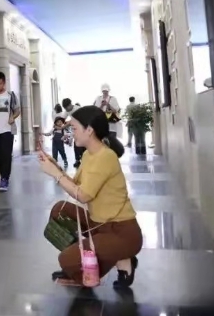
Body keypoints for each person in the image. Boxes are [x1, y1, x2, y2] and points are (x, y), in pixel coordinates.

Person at [37, 105, 142, 288]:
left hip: (121, 232)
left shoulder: (106, 157)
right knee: (59, 210)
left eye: (74, 128)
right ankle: (92, 258)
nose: (72, 133)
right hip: (99, 224)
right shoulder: (88, 155)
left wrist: (56, 174)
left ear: (89, 130)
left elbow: (83, 196)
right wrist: (56, 167)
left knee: (66, 260)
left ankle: (107, 261)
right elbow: (76, 186)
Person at [62, 98, 84, 168]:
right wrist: (58, 123)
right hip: (76, 129)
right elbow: (62, 118)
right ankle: (77, 160)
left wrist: (65, 125)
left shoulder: (78, 109)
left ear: (70, 104)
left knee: (83, 145)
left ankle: (84, 160)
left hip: (83, 128)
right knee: (76, 145)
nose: (66, 110)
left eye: (66, 108)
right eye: (65, 108)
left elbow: (74, 121)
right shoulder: (67, 110)